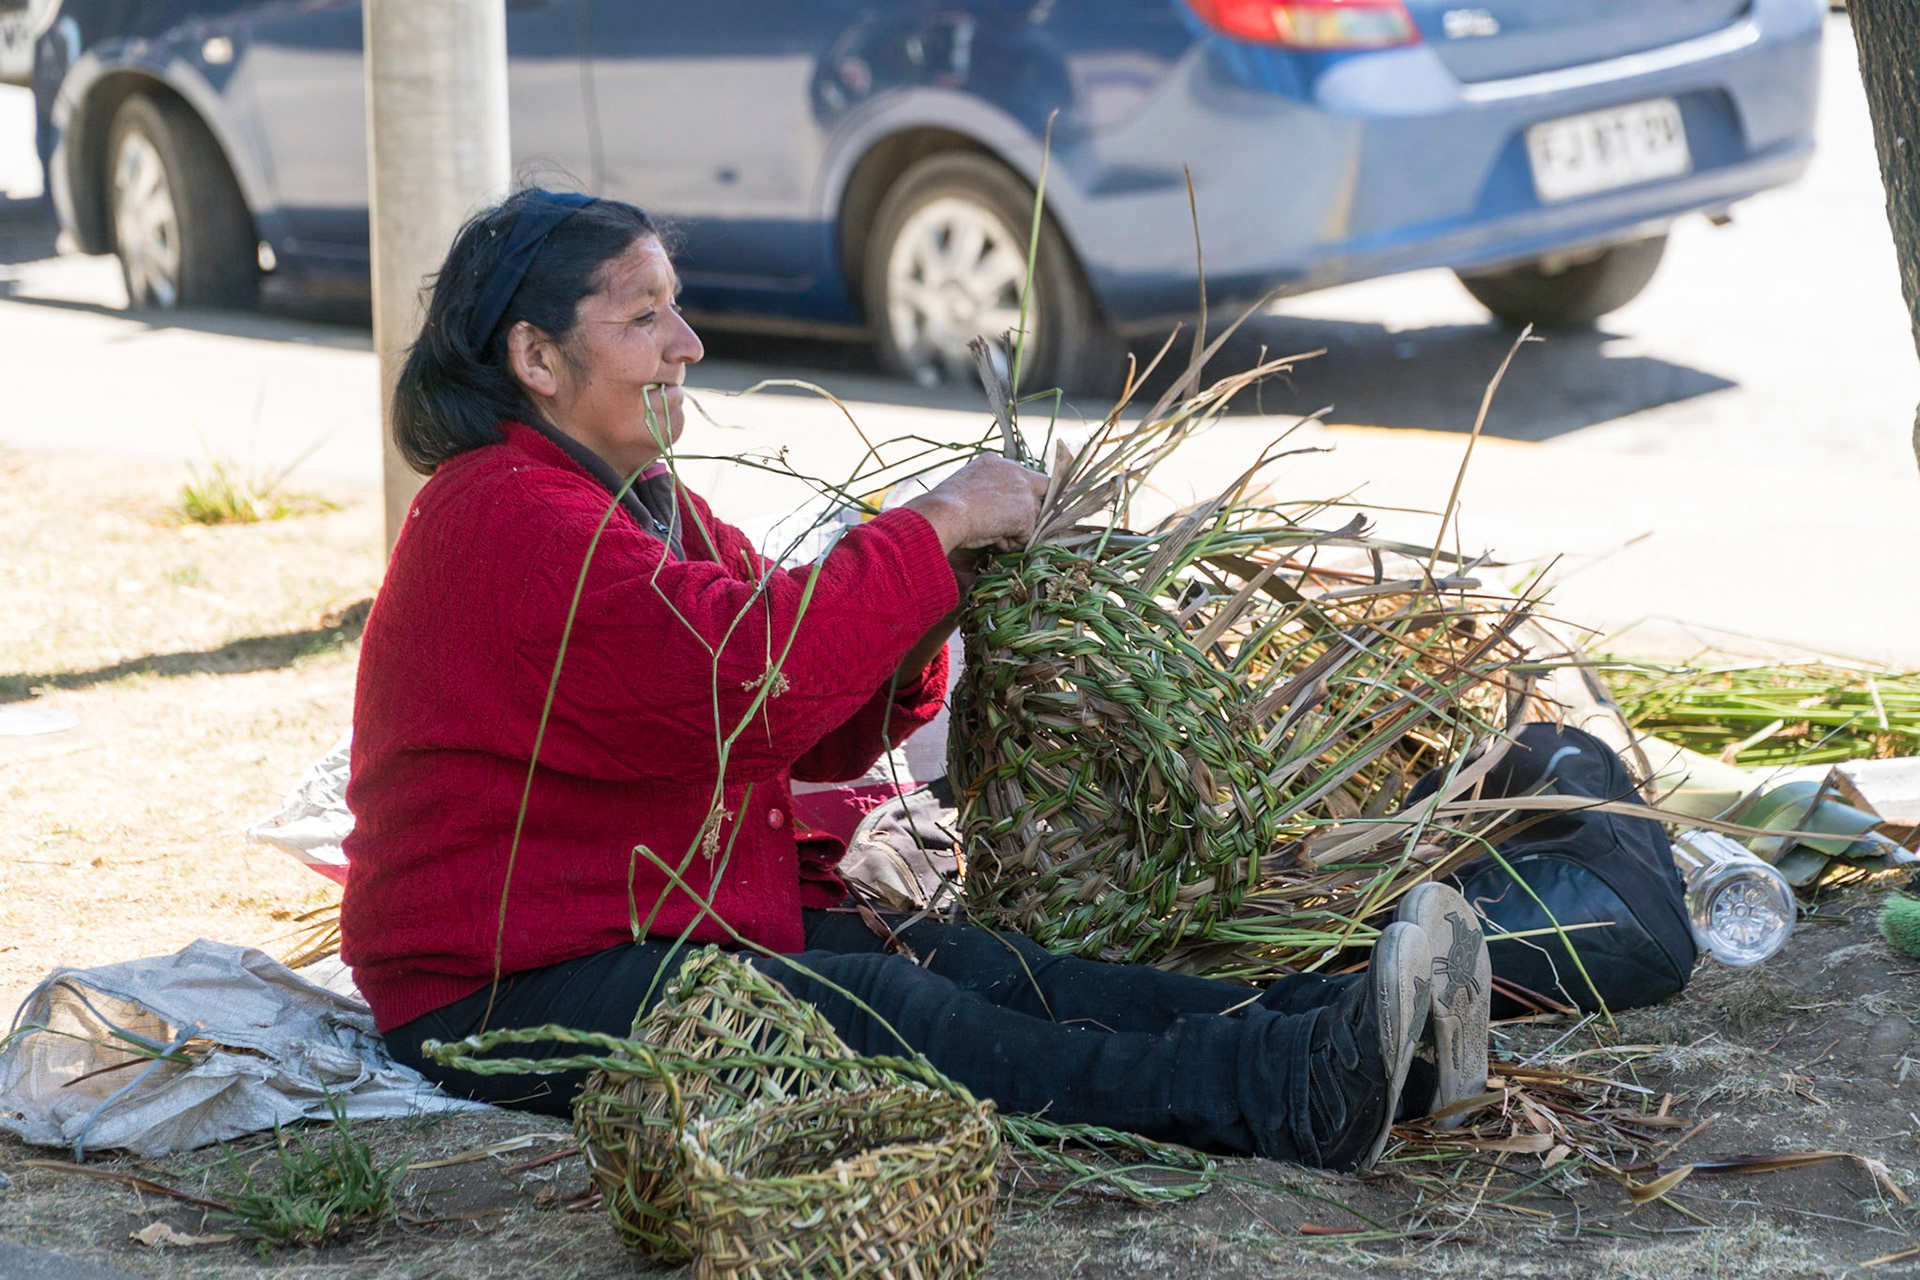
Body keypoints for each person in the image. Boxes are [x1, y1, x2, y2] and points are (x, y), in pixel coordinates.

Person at [340, 188, 1493, 1172]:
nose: (686, 342)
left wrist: (928, 608)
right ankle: (1294, 1089)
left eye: (676, 308)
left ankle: (1343, 1028)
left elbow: (810, 724)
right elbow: (740, 676)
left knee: (973, 963)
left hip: (647, 925)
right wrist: (930, 526)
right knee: (895, 1015)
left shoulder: (649, 505)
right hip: (495, 992)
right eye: (645, 318)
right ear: (535, 358)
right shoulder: (502, 512)